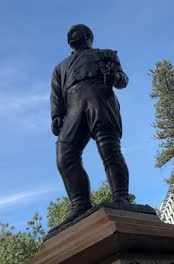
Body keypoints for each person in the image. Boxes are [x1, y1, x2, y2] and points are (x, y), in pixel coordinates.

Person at [50, 24, 130, 227]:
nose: (69, 35)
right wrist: (56, 115)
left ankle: (121, 196)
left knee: (109, 148)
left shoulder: (106, 54)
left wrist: (114, 78)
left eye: (74, 32)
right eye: (67, 33)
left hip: (99, 98)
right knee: (65, 152)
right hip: (73, 106)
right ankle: (80, 204)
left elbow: (123, 79)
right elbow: (56, 94)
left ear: (87, 36)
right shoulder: (60, 67)